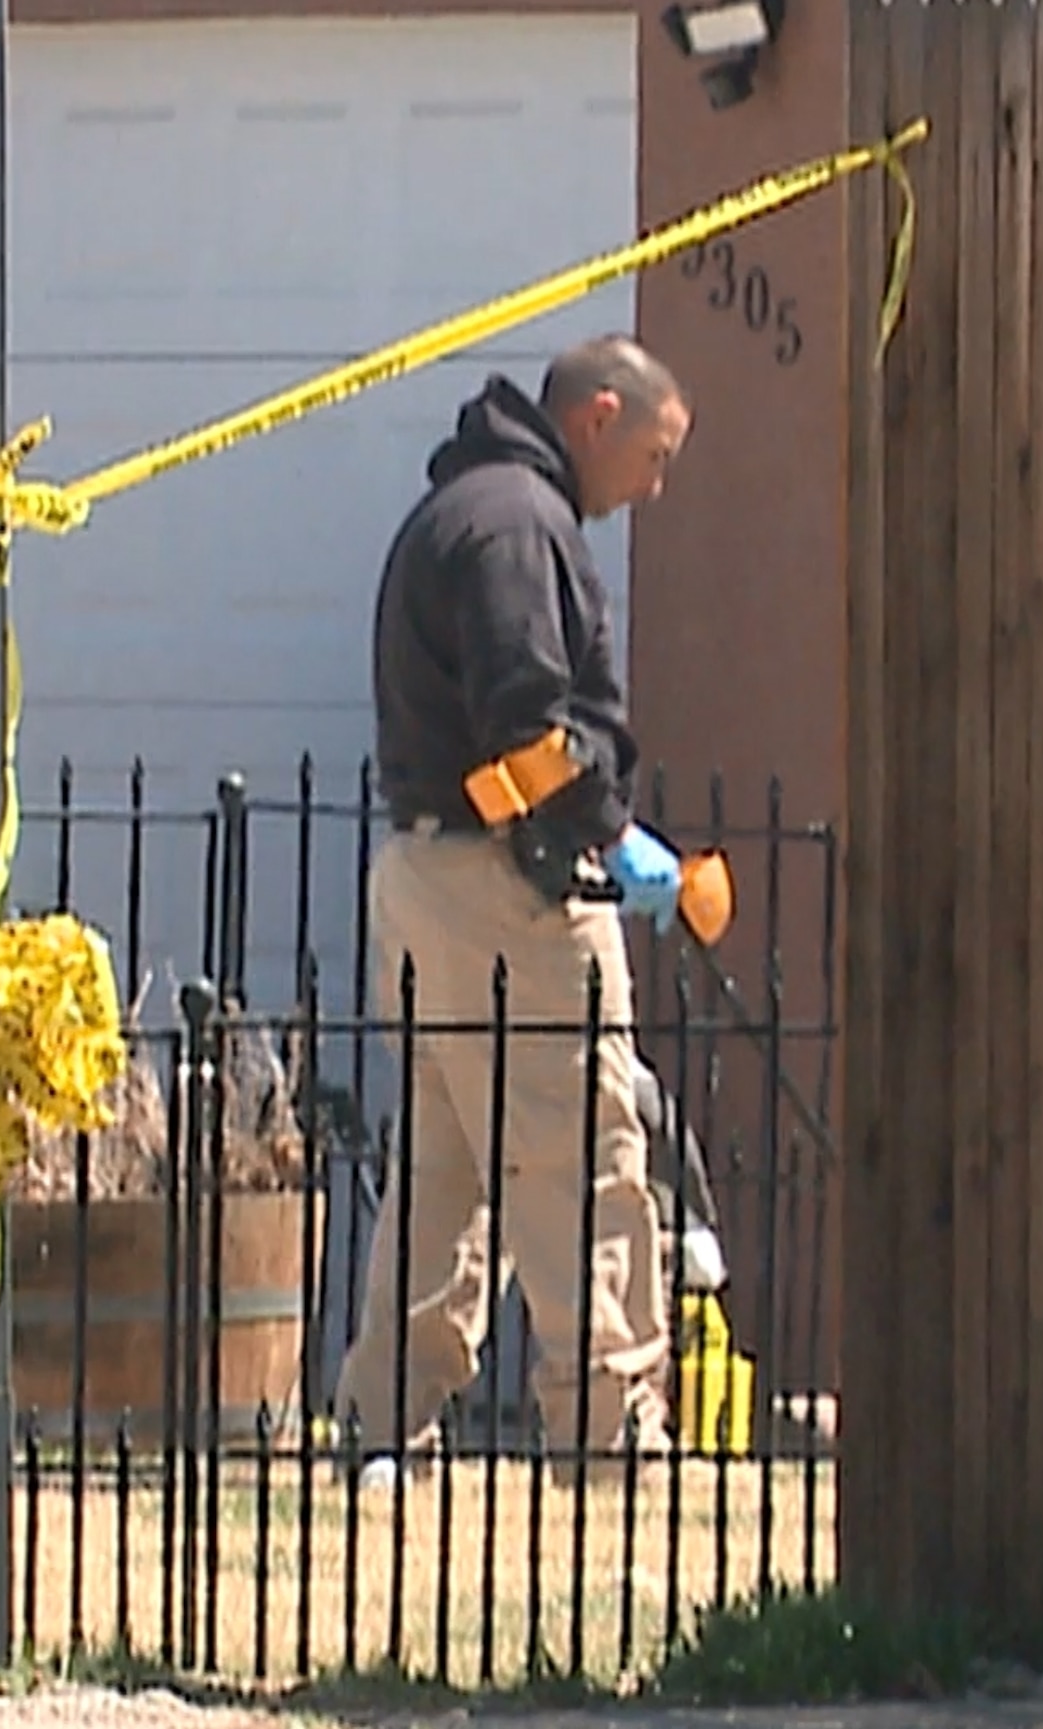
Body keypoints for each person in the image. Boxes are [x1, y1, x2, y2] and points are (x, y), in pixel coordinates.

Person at [336, 332, 696, 1479]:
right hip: (508, 888)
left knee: (453, 1164)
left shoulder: (466, 508)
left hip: (425, 877)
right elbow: (527, 731)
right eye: (653, 452)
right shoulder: (517, 528)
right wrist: (607, 835)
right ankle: (612, 1425)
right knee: (582, 1143)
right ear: (597, 415)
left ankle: (383, 1417)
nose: (655, 485)